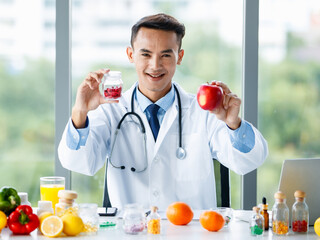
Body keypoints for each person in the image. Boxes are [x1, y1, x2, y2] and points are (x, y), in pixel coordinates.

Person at [58, 13, 268, 210]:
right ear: (131, 55)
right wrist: (80, 111)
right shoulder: (111, 110)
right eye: (146, 54)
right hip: (132, 230)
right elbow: (78, 161)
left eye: (165, 55)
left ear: (180, 56)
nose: (155, 65)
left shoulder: (203, 111)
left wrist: (233, 123)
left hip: (192, 232)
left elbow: (249, 161)